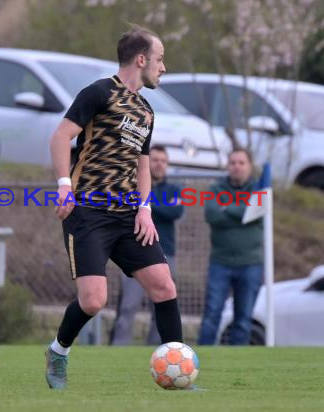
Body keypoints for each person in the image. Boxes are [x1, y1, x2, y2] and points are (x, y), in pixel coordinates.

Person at [46, 27, 183, 390]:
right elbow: (61, 137)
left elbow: (142, 165)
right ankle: (58, 351)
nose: (163, 67)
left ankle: (178, 370)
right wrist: (63, 187)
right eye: (160, 59)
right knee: (93, 301)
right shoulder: (98, 92)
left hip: (128, 215)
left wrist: (144, 210)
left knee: (164, 287)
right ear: (141, 59)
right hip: (88, 211)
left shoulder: (146, 111)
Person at [110, 145, 184, 346]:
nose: (159, 164)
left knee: (163, 306)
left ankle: (161, 351)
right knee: (127, 306)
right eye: (155, 159)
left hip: (167, 254)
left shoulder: (174, 189)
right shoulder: (133, 186)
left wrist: (145, 206)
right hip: (136, 254)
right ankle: (117, 349)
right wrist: (154, 205)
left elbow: (175, 212)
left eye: (163, 160)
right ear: (146, 162)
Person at [198, 148, 263, 346]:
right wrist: (242, 213)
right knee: (212, 315)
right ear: (228, 166)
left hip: (250, 264)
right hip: (220, 262)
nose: (237, 166)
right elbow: (211, 214)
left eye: (241, 162)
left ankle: (238, 362)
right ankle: (202, 357)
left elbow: (255, 213)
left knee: (243, 319)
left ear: (249, 166)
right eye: (233, 162)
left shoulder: (259, 189)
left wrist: (227, 208)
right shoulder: (215, 189)